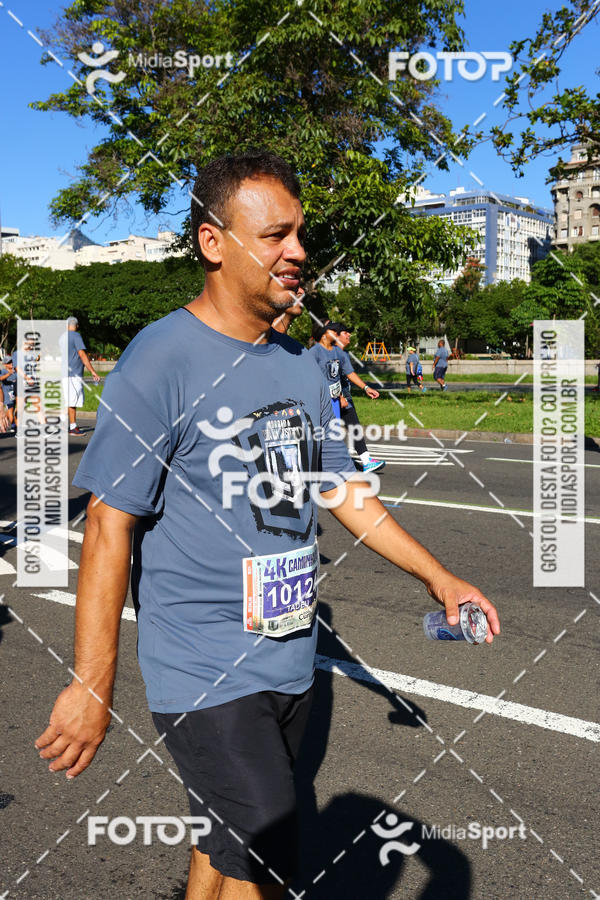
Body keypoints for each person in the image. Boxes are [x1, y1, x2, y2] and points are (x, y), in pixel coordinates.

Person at [36, 150, 500, 900]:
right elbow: (108, 527)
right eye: (276, 235)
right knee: (271, 850)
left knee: (222, 848)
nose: (299, 253)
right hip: (202, 668)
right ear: (213, 243)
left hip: (289, 659)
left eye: (300, 234)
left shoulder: (300, 366)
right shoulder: (160, 360)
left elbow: (344, 491)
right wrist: (94, 685)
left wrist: (439, 577)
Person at [326, 322, 385, 473]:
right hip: (334, 399)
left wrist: (366, 388)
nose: (349, 335)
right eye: (345, 332)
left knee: (351, 427)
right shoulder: (330, 353)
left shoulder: (342, 354)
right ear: (336, 336)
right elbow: (328, 378)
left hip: (342, 397)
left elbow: (350, 373)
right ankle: (363, 461)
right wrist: (339, 397)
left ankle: (363, 460)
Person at [59, 317, 100, 434]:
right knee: (72, 400)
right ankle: (72, 427)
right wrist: (92, 371)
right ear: (76, 325)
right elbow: (82, 354)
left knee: (68, 400)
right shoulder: (76, 336)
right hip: (73, 374)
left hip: (65, 373)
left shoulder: (62, 337)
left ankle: (63, 425)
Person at [0, 355, 17, 432]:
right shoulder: (3, 371)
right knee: (10, 410)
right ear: (5, 364)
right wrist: (8, 374)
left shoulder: (15, 371)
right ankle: (13, 425)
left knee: (10, 411)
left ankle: (4, 424)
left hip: (14, 393)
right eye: (9, 363)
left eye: (12, 362)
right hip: (6, 394)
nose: (11, 364)